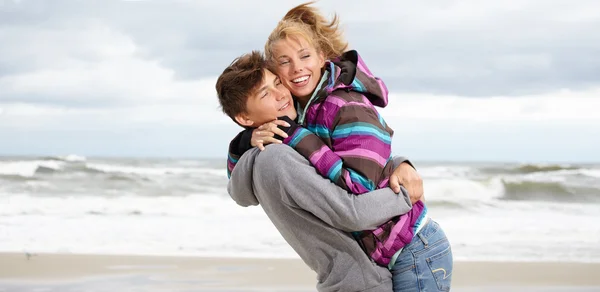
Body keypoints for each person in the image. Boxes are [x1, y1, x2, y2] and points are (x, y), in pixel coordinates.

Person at [225, 3, 453, 292]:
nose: (296, 68)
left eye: (305, 56)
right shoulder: (300, 110)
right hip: (384, 251)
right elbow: (238, 182)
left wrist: (298, 139)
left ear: (322, 57)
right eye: (284, 62)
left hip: (414, 248)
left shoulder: (349, 107)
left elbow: (359, 190)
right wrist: (248, 139)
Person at [216, 51, 423, 291]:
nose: (281, 93)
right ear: (244, 117)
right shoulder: (277, 156)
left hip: (364, 271)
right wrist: (405, 194)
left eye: (277, 83)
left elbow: (348, 163)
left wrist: (398, 163)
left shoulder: (283, 143)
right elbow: (352, 212)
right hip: (363, 277)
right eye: (265, 93)